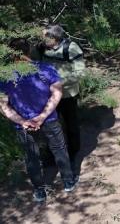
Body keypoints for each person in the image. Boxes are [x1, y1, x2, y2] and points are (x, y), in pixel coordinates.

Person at [0, 38, 79, 203]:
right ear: (29, 50)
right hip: (49, 118)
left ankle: (39, 191)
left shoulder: (5, 77)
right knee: (59, 148)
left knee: (31, 157)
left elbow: (4, 106)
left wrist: (22, 121)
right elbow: (57, 93)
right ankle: (68, 181)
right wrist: (42, 116)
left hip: (22, 125)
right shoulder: (46, 69)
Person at [32, 24, 86, 165]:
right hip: (47, 94)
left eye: (44, 36)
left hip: (68, 94)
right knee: (50, 125)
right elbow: (35, 63)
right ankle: (52, 155)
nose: (41, 39)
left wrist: (60, 83)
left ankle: (74, 153)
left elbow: (80, 72)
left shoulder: (71, 48)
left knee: (70, 124)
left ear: (54, 37)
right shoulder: (41, 47)